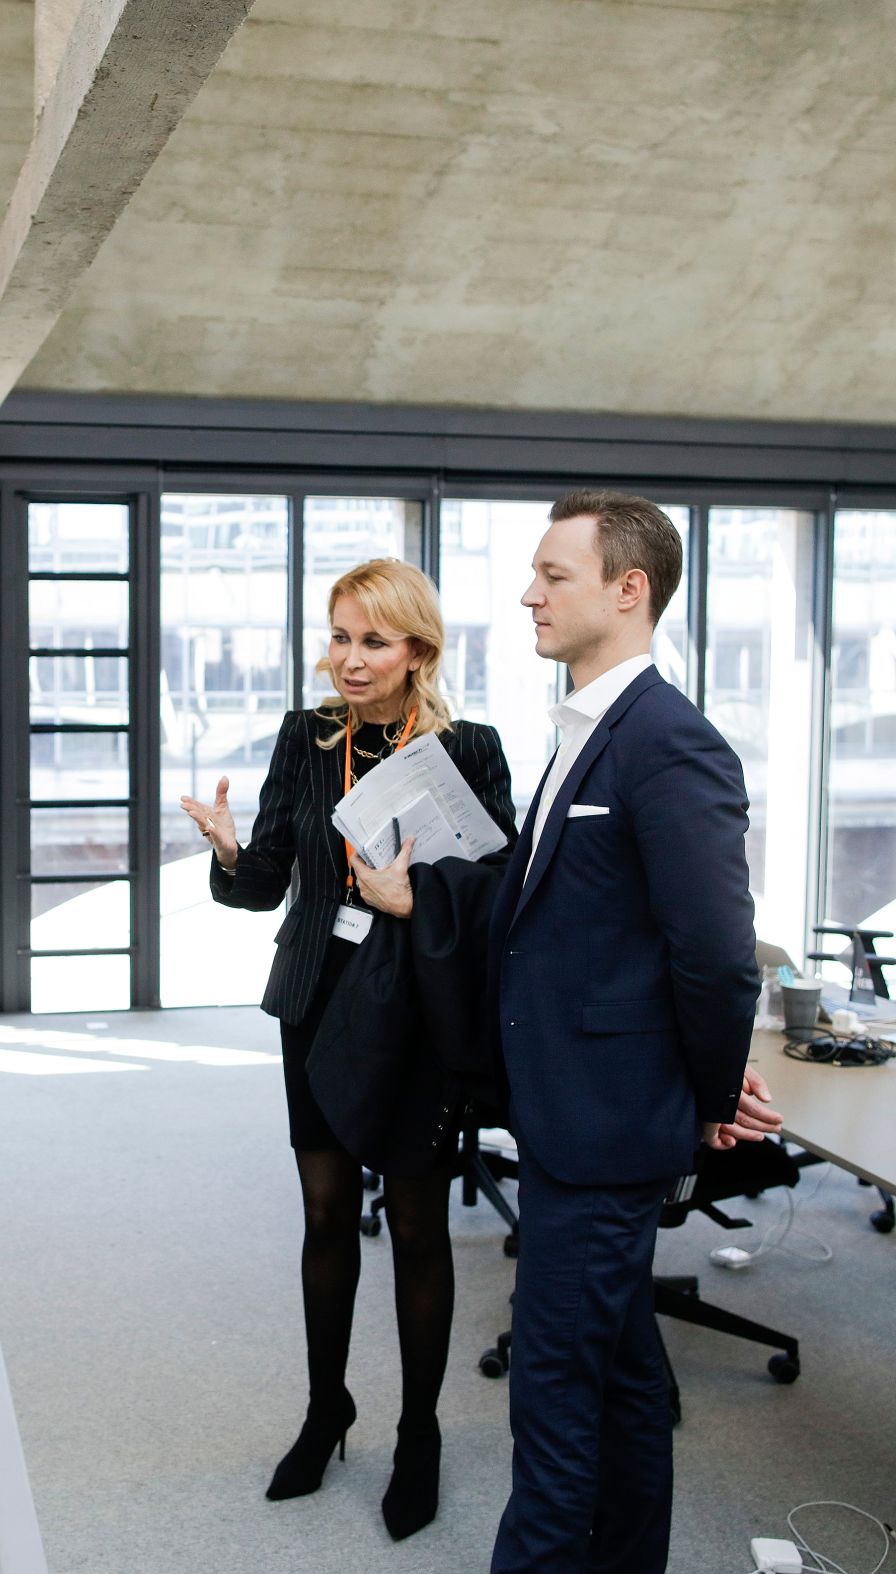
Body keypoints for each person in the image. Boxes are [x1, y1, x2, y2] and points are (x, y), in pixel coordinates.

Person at [180, 558, 518, 1542]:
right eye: (337, 636)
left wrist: (417, 897)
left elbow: (497, 888)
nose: (348, 658)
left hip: (415, 1005)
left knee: (413, 1220)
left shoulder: (470, 746)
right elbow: (268, 886)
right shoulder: (303, 735)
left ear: (417, 650)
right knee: (325, 1210)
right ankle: (327, 1407)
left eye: (372, 640)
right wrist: (229, 850)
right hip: (317, 998)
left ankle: (419, 1432)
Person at [484, 491, 783, 1573]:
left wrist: (708, 1093)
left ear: (628, 588)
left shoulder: (669, 743)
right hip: (569, 1105)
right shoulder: (580, 728)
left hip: (606, 1127)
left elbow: (709, 950)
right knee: (616, 1382)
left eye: (552, 574)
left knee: (555, 1399)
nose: (528, 591)